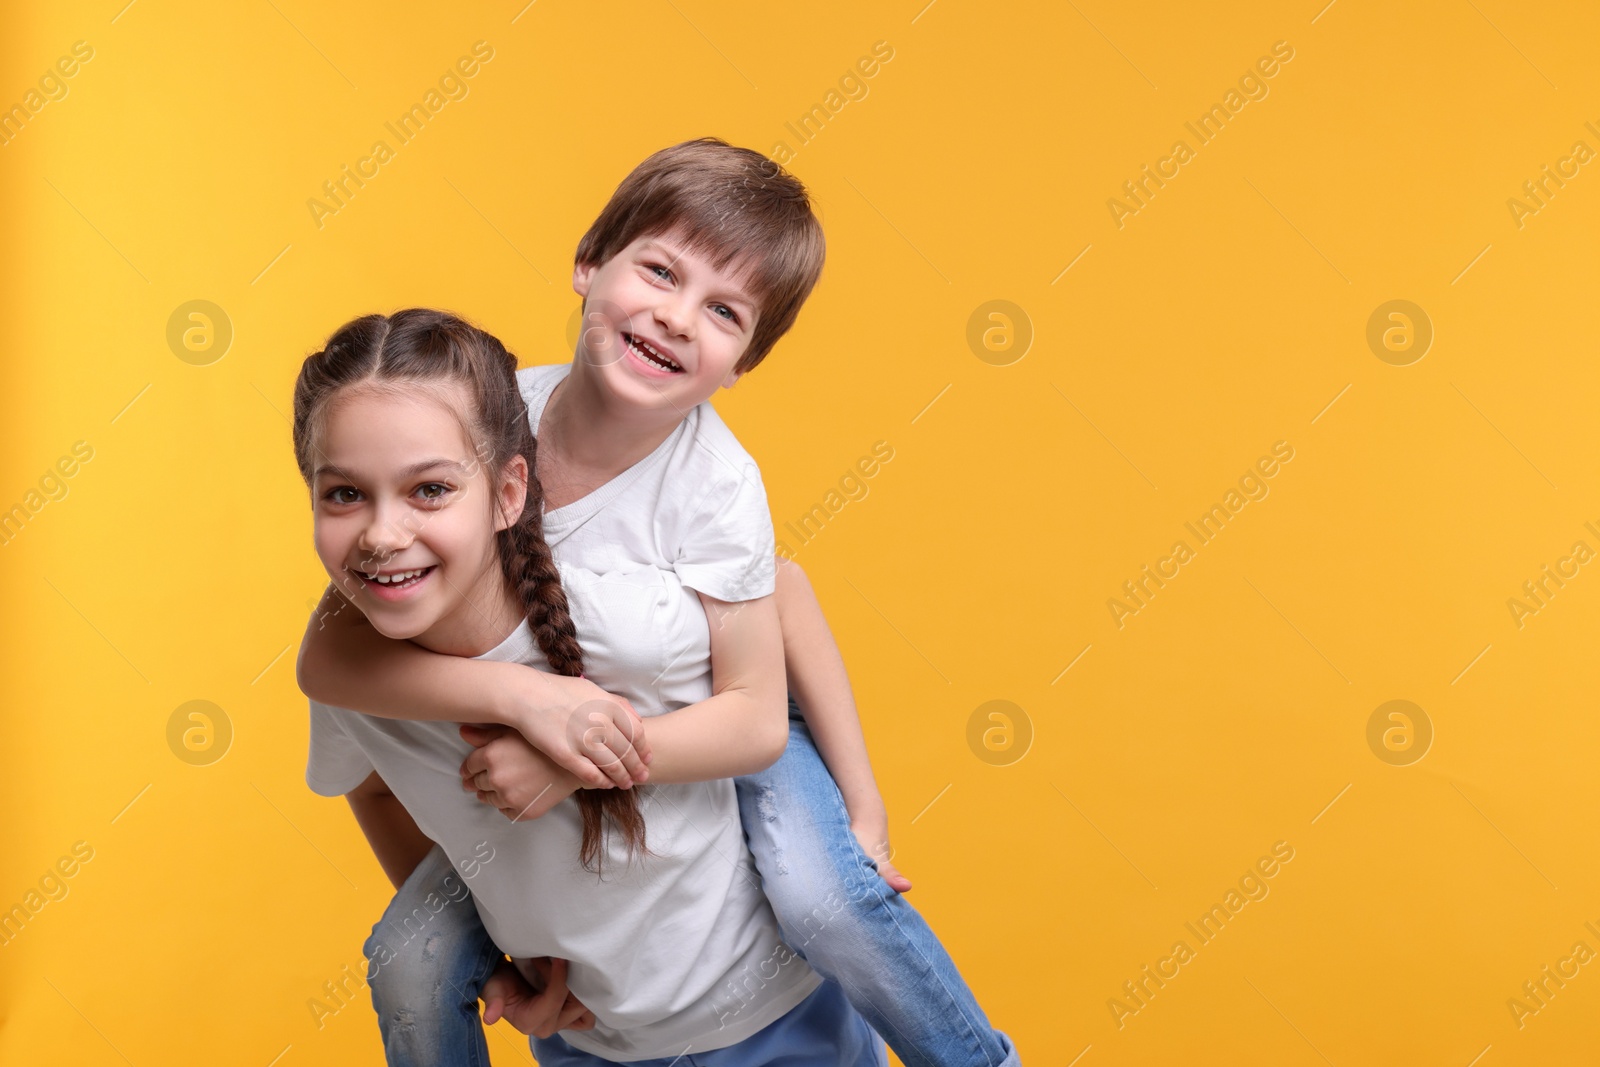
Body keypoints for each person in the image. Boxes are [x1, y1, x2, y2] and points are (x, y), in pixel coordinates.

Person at [297, 138, 1020, 1067]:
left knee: (825, 895)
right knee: (412, 953)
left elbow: (768, 674)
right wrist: (532, 710)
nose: (678, 318)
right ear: (588, 262)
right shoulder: (481, 424)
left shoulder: (715, 483)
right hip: (585, 761)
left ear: (745, 360)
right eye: (660, 272)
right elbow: (331, 656)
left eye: (722, 310)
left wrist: (863, 807)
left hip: (717, 726)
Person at [295, 307, 884, 1062]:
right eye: (343, 494)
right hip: (593, 1044)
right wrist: (500, 950)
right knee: (407, 957)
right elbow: (373, 788)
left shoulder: (618, 615)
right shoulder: (362, 674)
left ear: (509, 494)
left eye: (430, 490)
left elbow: (780, 600)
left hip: (766, 1021)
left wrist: (863, 811)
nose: (381, 533)